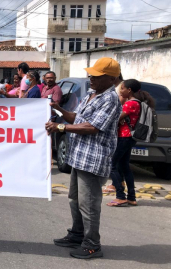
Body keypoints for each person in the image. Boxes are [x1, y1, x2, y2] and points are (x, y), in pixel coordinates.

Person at [45, 57, 122, 259]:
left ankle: (92, 244)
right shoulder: (91, 94)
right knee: (75, 199)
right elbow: (78, 119)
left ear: (111, 79)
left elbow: (92, 127)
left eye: (97, 75)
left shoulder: (110, 99)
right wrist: (60, 110)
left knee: (88, 204)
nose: (91, 78)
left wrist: (60, 127)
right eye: (91, 74)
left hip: (93, 159)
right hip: (78, 156)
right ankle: (77, 234)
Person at [107, 79, 155, 207]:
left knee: (111, 165)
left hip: (124, 137)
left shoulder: (130, 103)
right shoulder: (136, 103)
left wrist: (118, 119)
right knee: (125, 166)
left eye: (122, 88)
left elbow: (115, 119)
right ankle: (131, 197)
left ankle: (120, 196)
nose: (120, 91)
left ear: (129, 90)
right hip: (129, 137)